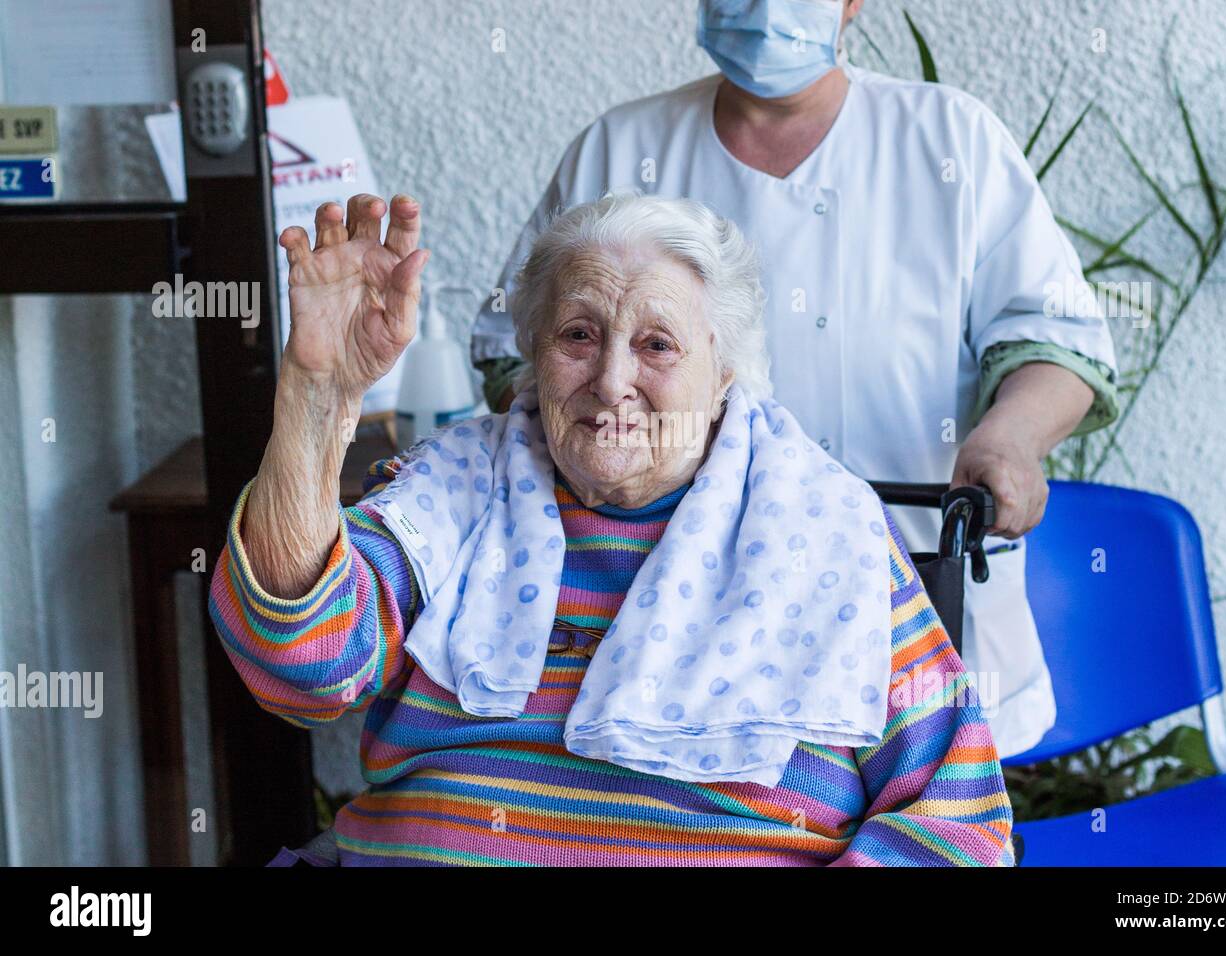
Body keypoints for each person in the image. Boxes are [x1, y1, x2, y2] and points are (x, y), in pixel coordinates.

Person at [209, 190, 1016, 866]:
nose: (612, 380)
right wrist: (320, 393)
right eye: (578, 335)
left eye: (656, 344)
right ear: (531, 350)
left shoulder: (824, 524)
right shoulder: (452, 490)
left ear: (724, 370)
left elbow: (957, 817)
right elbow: (301, 666)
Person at [470, 0, 1119, 760]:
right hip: (664, 613)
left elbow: (1055, 338)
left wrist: (1010, 438)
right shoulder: (621, 147)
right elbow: (518, 351)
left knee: (927, 807)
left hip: (913, 591)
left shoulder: (951, 140)